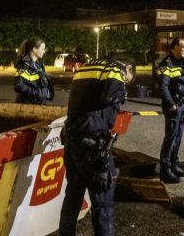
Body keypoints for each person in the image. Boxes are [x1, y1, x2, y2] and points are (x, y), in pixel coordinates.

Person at [59, 55, 134, 236]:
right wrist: (121, 92)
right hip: (93, 144)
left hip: (73, 139)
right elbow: (110, 96)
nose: (125, 81)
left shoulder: (84, 68)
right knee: (103, 202)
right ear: (128, 68)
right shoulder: (116, 69)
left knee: (72, 198)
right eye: (128, 80)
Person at [158, 38, 184, 183]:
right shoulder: (167, 64)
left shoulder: (182, 64)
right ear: (174, 48)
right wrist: (171, 104)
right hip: (174, 106)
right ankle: (165, 170)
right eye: (183, 47)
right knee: (171, 138)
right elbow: (162, 86)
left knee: (178, 138)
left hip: (182, 105)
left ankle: (174, 165)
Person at [14, 38, 54, 105]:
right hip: (28, 106)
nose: (44, 51)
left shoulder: (38, 66)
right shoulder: (24, 66)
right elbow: (19, 86)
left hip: (39, 104)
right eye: (42, 49)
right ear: (34, 49)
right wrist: (38, 93)